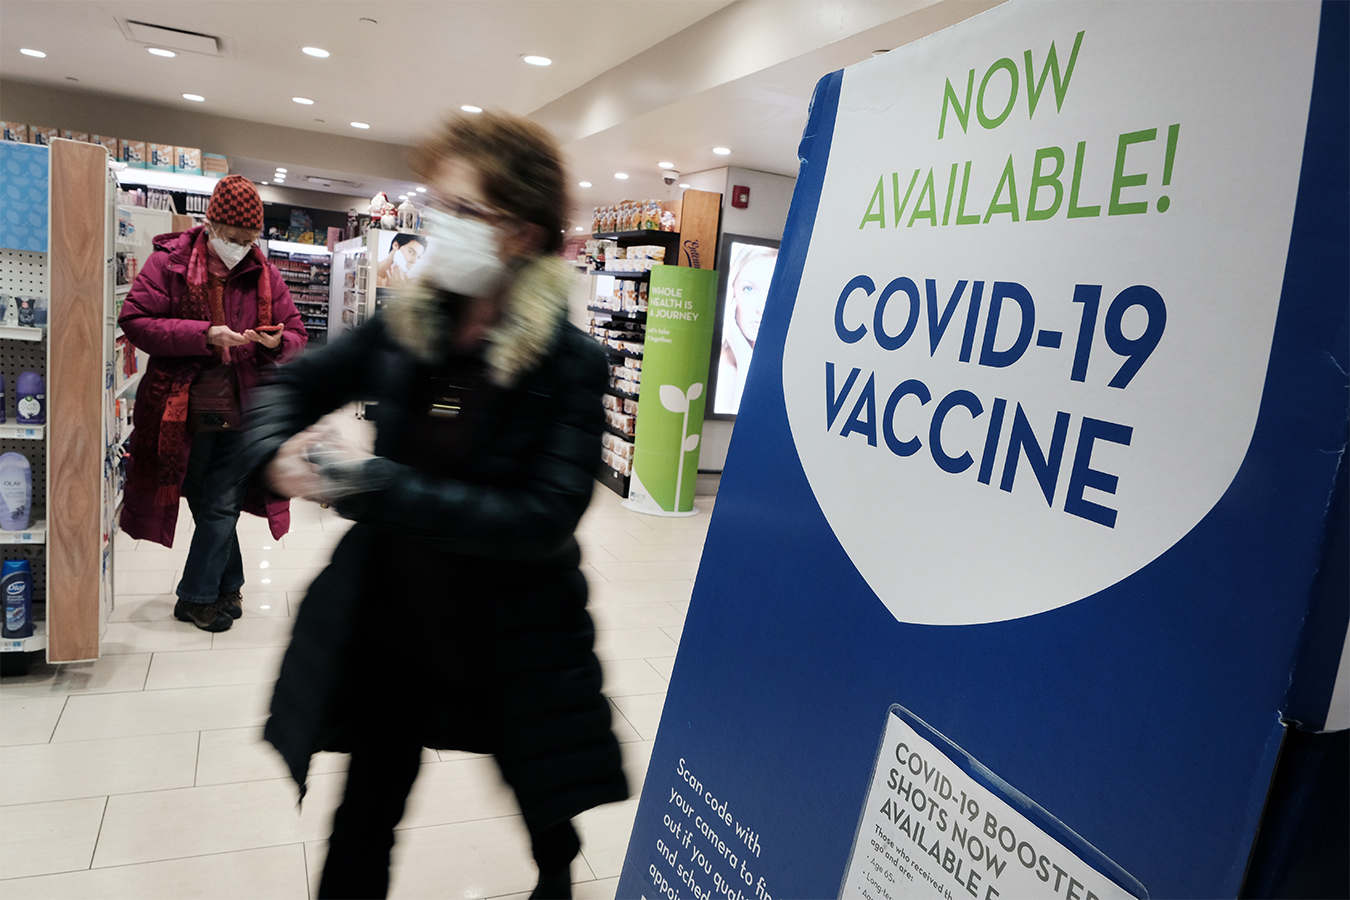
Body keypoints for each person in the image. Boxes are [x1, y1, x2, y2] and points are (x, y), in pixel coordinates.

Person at [241, 111, 628, 899]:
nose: (435, 225)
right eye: (435, 204)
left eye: (463, 211)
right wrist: (277, 447)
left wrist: (371, 484)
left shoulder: (571, 364)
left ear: (519, 232)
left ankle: (556, 872)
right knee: (364, 816)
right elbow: (298, 381)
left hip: (514, 629)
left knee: (540, 793)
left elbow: (541, 516)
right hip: (395, 623)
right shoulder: (408, 324)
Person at [118, 174, 308, 632]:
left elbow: (298, 334)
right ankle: (228, 584)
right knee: (202, 497)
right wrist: (202, 335)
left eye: (249, 239)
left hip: (245, 406)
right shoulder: (170, 263)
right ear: (211, 224)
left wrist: (274, 344)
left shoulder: (265, 273)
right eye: (233, 237)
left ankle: (196, 596)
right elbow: (136, 320)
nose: (241, 247)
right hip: (181, 408)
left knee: (221, 500)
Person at [713, 244, 777, 414]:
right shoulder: (723, 369)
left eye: (773, 291)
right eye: (749, 289)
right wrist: (744, 358)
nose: (761, 308)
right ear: (731, 294)